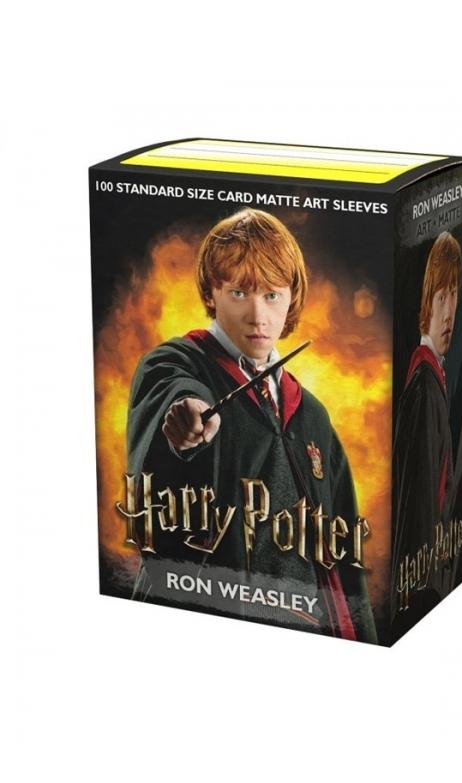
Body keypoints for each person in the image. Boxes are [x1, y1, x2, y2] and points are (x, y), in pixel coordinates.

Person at [125, 208, 378, 644]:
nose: (258, 315)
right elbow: (174, 392)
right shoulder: (175, 364)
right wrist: (187, 415)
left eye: (272, 295)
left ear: (292, 298)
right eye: (239, 293)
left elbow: (344, 563)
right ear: (212, 292)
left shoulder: (312, 415)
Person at [391, 231, 462, 627]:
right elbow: (417, 505)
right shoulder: (423, 387)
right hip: (420, 588)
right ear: (426, 305)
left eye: (454, 295)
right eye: (440, 297)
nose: (449, 312)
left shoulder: (433, 379)